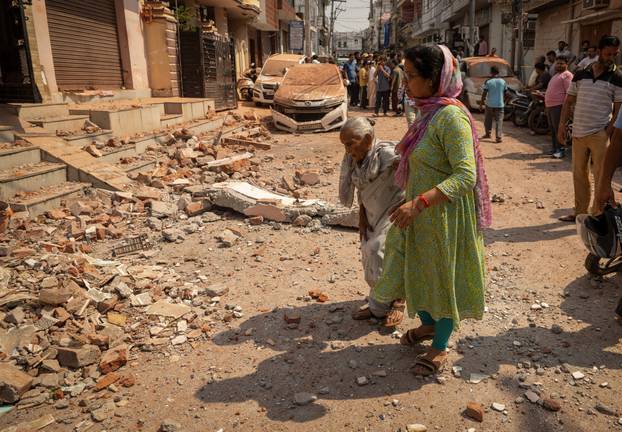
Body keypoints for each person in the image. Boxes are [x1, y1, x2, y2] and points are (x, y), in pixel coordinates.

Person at [371, 44, 491, 376]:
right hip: (419, 213)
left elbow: (465, 175)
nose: (405, 83)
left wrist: (421, 201)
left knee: (441, 276)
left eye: (410, 77)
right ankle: (427, 325)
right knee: (417, 271)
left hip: (442, 216)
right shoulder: (428, 112)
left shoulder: (451, 116)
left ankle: (439, 345)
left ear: (434, 78)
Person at [339, 117, 407, 327]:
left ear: (367, 139)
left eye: (351, 143)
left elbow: (410, 169)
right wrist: (361, 216)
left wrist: (410, 204)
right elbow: (361, 189)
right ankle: (378, 305)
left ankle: (398, 300)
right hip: (371, 213)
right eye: (344, 145)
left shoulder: (385, 153)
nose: (348, 150)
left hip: (393, 211)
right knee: (369, 255)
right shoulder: (354, 159)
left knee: (379, 251)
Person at [557, 35, 622, 222]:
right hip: (578, 132)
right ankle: (580, 212)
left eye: (615, 54)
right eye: (608, 53)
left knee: (601, 175)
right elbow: (569, 100)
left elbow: (618, 108)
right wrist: (562, 125)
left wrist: (608, 131)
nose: (611, 57)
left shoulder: (617, 78)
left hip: (599, 134)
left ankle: (597, 214)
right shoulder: (580, 73)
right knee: (579, 174)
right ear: (599, 51)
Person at [545, 55, 573, 158]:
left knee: (559, 129)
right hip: (550, 105)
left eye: (562, 63)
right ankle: (554, 148)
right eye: (558, 63)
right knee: (552, 129)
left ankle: (561, 150)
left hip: (559, 105)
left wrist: (567, 108)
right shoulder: (555, 75)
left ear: (567, 64)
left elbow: (569, 93)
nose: (559, 65)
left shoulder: (567, 75)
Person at [479, 65, 507, 143]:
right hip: (500, 104)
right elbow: (505, 92)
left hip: (489, 104)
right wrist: (503, 101)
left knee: (488, 119)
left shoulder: (488, 81)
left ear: (491, 72)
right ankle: (498, 137)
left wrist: (481, 104)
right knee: (499, 121)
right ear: (498, 72)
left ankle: (488, 133)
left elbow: (484, 93)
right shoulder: (503, 81)